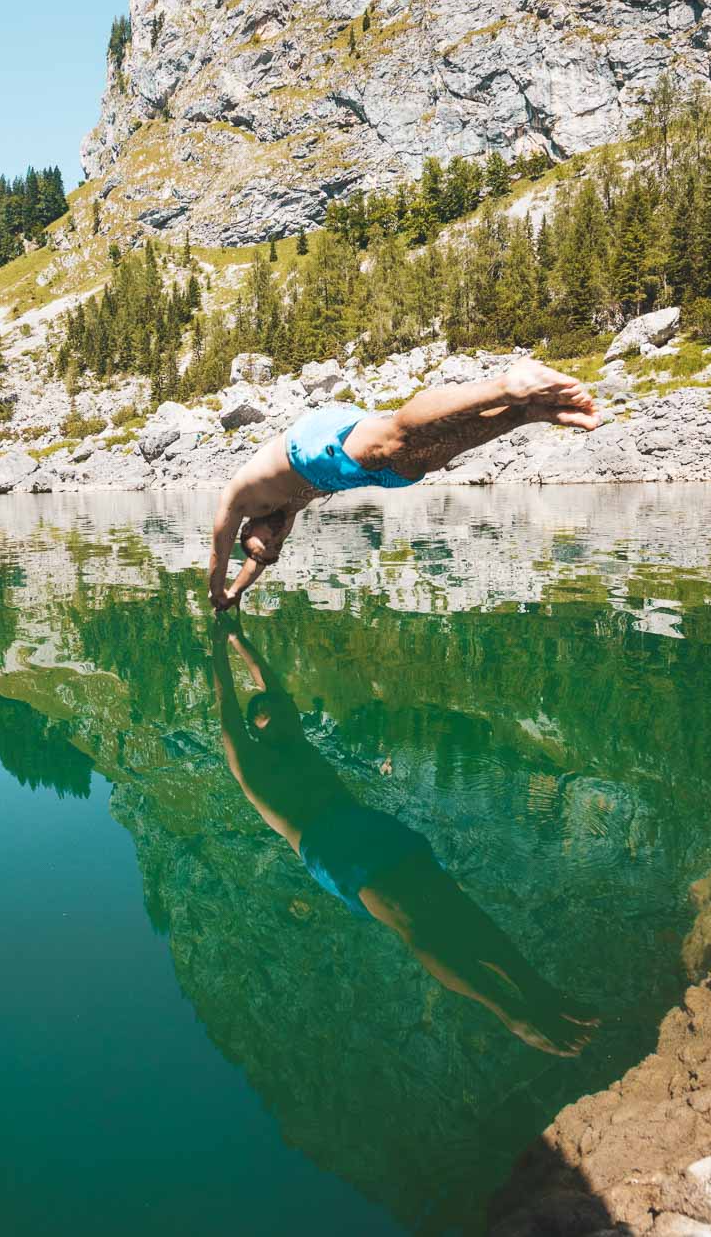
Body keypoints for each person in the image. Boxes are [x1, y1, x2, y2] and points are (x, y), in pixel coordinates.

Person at [212, 618, 598, 1056]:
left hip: (366, 822)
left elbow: (273, 688)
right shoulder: (250, 762)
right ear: (253, 727)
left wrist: (238, 638)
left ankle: (537, 990)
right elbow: (227, 706)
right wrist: (217, 649)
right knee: (415, 924)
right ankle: (511, 1013)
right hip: (330, 847)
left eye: (284, 713)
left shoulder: (293, 739)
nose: (283, 718)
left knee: (455, 907)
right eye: (270, 717)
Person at [208, 356, 601, 610]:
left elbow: (219, 552)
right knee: (424, 461)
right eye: (274, 548)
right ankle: (527, 411)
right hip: (343, 475)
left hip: (308, 448)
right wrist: (238, 592)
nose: (273, 541)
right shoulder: (284, 515)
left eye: (262, 542)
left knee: (393, 439)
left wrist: (218, 591)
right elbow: (258, 562)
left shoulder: (239, 499)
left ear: (249, 526)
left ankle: (506, 385)